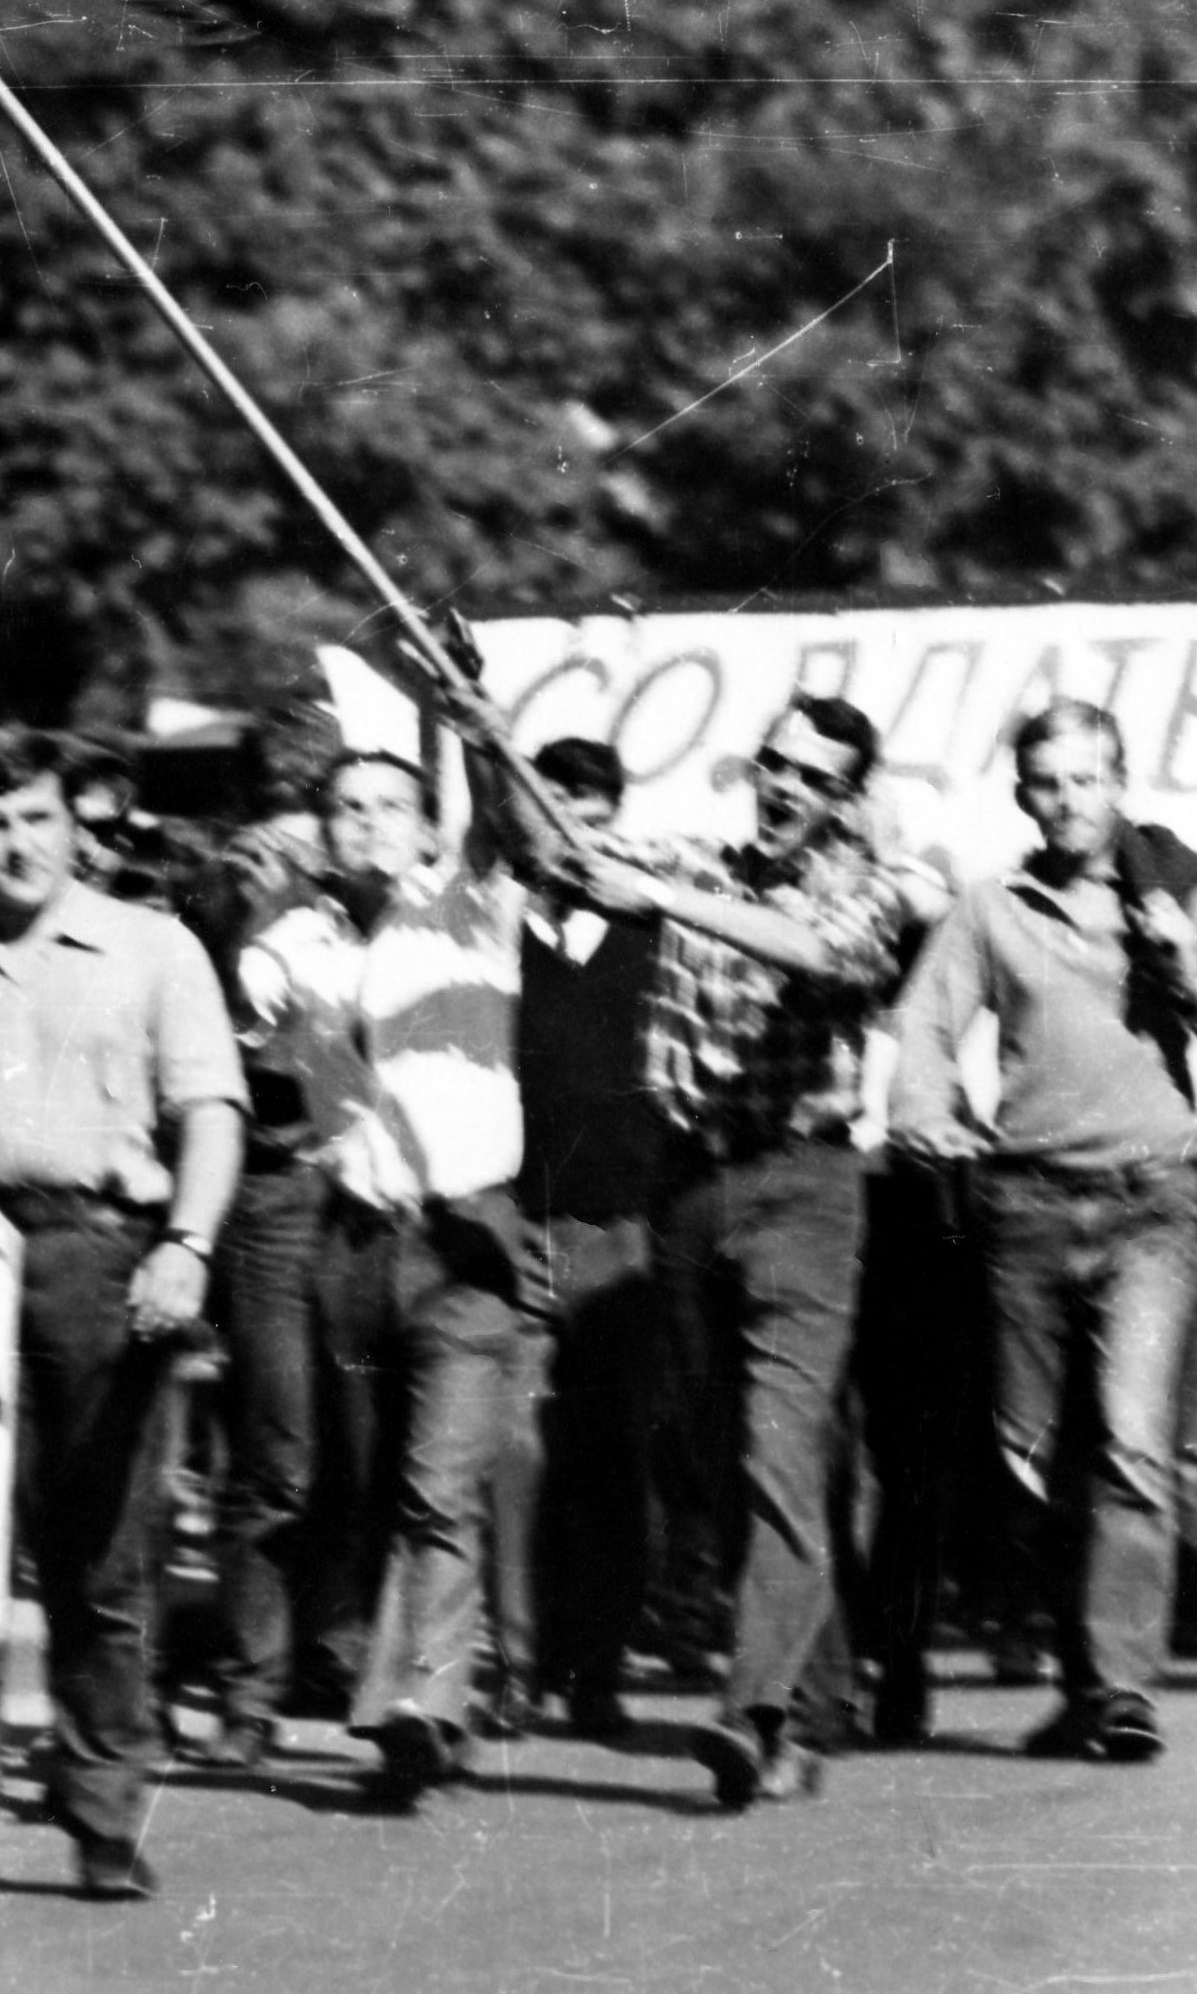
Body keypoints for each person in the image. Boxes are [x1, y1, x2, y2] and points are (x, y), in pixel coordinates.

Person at [0, 725, 246, 1915]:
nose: (16, 846)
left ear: (75, 823)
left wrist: (187, 1244)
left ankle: (104, 1813)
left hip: (101, 1254)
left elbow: (211, 1110)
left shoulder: (154, 947)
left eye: (36, 818)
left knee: (101, 1555)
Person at [891, 701, 1197, 1762]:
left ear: (1120, 784)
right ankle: (1082, 1677)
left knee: (1130, 1442)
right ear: (1022, 796)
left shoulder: (1183, 898)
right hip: (1025, 1206)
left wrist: (1185, 966)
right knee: (1029, 1455)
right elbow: (926, 1021)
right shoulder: (994, 906)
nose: (1068, 801)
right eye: (1047, 783)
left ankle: (1122, 1687)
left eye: (1086, 779)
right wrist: (928, 1113)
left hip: (1150, 1207)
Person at [542, 694, 928, 1809]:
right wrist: (475, 737)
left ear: (846, 800)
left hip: (804, 1189)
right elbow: (553, 847)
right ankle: (814, 1696)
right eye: (774, 765)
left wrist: (661, 900)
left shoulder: (865, 890)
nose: (784, 788)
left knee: (779, 1449)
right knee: (725, 1461)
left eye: (812, 777)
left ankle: (752, 1710)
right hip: (688, 1190)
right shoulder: (697, 860)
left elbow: (819, 950)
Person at [228, 724, 533, 1807]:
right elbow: (259, 1029)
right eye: (346, 808)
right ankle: (408, 1688)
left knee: (438, 1485)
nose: (366, 824)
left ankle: (422, 1706)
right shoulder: (289, 937)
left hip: (467, 1236)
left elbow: (506, 824)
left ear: (427, 825)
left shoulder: (470, 904)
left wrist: (474, 724)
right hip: (355, 1243)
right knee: (370, 1482)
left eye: (390, 806)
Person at [492, 735, 670, 1744]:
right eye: (554, 818)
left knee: (609, 1456)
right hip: (515, 1221)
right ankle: (518, 1669)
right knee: (512, 1453)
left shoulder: (654, 934)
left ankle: (598, 1668)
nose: (573, 841)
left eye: (591, 822)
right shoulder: (495, 932)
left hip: (622, 1230)